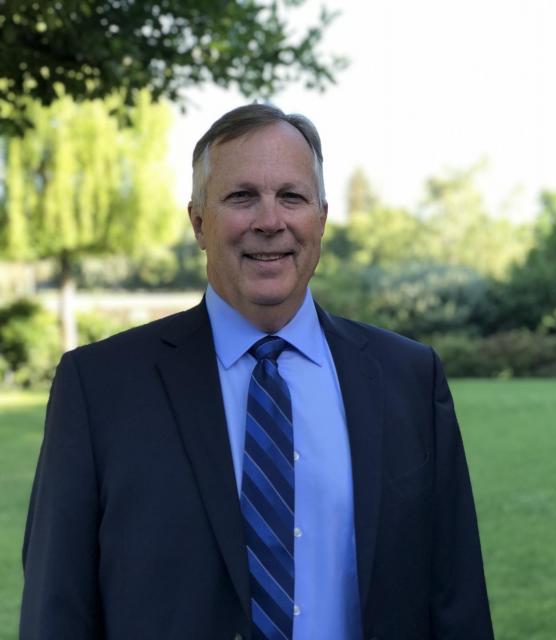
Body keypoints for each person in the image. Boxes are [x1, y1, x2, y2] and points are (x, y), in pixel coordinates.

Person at [20, 104, 493, 640]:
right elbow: (56, 611)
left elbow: (457, 601)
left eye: (291, 196)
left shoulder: (409, 379)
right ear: (199, 222)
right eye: (242, 197)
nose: (270, 221)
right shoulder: (100, 389)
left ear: (321, 217)